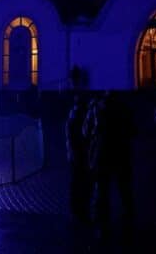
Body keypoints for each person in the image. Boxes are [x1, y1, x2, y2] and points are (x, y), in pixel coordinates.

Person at [86, 91, 136, 239]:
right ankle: (128, 222)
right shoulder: (124, 107)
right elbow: (133, 130)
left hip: (102, 155)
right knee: (125, 190)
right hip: (121, 154)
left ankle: (102, 226)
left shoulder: (96, 107)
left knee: (102, 192)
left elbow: (86, 130)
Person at [66, 94, 90, 224]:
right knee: (80, 182)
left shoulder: (73, 116)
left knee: (77, 183)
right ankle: (79, 210)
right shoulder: (77, 117)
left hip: (76, 155)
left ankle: (77, 210)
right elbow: (78, 137)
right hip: (79, 155)